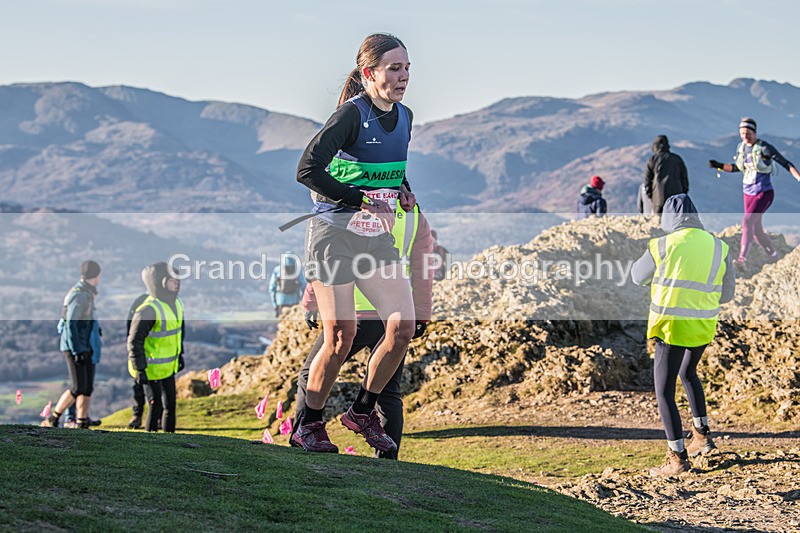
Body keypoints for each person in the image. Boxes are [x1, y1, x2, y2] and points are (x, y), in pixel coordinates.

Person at [292, 33, 417, 453]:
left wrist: (402, 187)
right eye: (394, 69)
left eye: (407, 68)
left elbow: (385, 164)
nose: (403, 77)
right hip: (333, 236)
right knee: (341, 336)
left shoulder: (406, 116)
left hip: (375, 238)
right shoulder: (350, 115)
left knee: (402, 327)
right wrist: (360, 200)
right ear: (369, 73)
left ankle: (361, 411)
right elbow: (308, 170)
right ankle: (309, 424)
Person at [292, 204, 434, 459]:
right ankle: (387, 460)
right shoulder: (413, 214)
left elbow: (327, 256)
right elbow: (422, 264)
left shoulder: (349, 203)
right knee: (388, 390)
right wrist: (421, 311)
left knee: (309, 373)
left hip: (351, 308)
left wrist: (311, 302)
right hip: (390, 313)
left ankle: (303, 436)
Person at [631, 194, 735, 476]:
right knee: (689, 374)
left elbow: (636, 277)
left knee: (664, 391)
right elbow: (727, 294)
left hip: (671, 327)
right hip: (703, 327)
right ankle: (702, 438)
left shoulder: (662, 245)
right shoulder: (719, 247)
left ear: (669, 218)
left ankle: (677, 458)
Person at [709, 117, 800, 265]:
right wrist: (717, 165)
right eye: (742, 133)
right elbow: (736, 168)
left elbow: (786, 163)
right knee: (756, 229)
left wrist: (798, 178)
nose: (745, 136)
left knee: (747, 221)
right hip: (748, 193)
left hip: (763, 193)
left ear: (754, 132)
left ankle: (741, 259)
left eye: (747, 133)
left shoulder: (764, 148)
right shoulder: (742, 148)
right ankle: (773, 254)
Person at [41, 260, 102, 429]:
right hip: (76, 347)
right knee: (77, 386)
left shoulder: (86, 292)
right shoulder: (80, 294)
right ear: (96, 276)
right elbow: (71, 324)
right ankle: (54, 418)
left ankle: (82, 422)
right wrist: (77, 350)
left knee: (87, 387)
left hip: (86, 346)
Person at [127, 262, 186, 433]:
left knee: (171, 407)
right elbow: (134, 341)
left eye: (178, 280)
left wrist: (179, 355)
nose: (177, 283)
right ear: (160, 282)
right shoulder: (148, 310)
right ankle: (150, 445)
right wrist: (139, 369)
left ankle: (171, 444)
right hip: (150, 369)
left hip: (168, 367)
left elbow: (178, 333)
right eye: (172, 280)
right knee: (156, 406)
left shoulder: (177, 304)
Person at [644, 135, 689, 215]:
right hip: (676, 198)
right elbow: (684, 180)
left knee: (659, 224)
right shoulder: (677, 159)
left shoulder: (652, 160)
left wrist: (652, 196)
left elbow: (647, 181)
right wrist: (682, 194)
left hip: (658, 200)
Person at [126, 292, 149, 429]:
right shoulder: (142, 302)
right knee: (138, 385)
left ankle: (152, 417)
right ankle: (137, 415)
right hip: (141, 351)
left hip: (158, 354)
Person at [268, 252, 306, 317]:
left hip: (281, 301)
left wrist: (274, 304)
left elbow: (271, 288)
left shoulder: (277, 269)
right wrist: (303, 302)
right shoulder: (297, 270)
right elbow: (304, 285)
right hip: (295, 302)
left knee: (284, 324)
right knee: (293, 324)